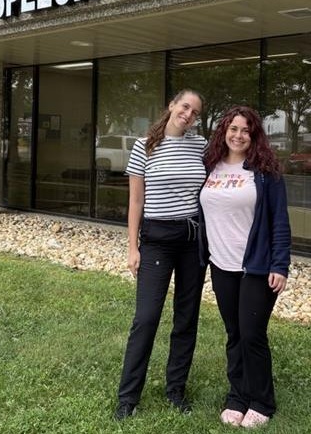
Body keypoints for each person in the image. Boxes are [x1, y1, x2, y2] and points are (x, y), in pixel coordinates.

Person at [115, 89, 208, 420]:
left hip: (192, 241)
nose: (188, 114)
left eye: (195, 112)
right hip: (156, 240)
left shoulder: (201, 146)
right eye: (185, 106)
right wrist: (132, 247)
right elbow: (136, 201)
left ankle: (175, 390)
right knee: (146, 318)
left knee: (186, 317)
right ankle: (128, 398)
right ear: (171, 105)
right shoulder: (144, 146)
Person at [199, 105, 291, 428]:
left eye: (245, 131)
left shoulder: (266, 172)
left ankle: (262, 401)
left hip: (257, 266)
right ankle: (237, 396)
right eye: (233, 129)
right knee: (234, 333)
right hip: (221, 265)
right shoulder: (210, 165)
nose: (238, 136)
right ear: (224, 131)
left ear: (254, 136)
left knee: (252, 334)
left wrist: (280, 265)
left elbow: (280, 221)